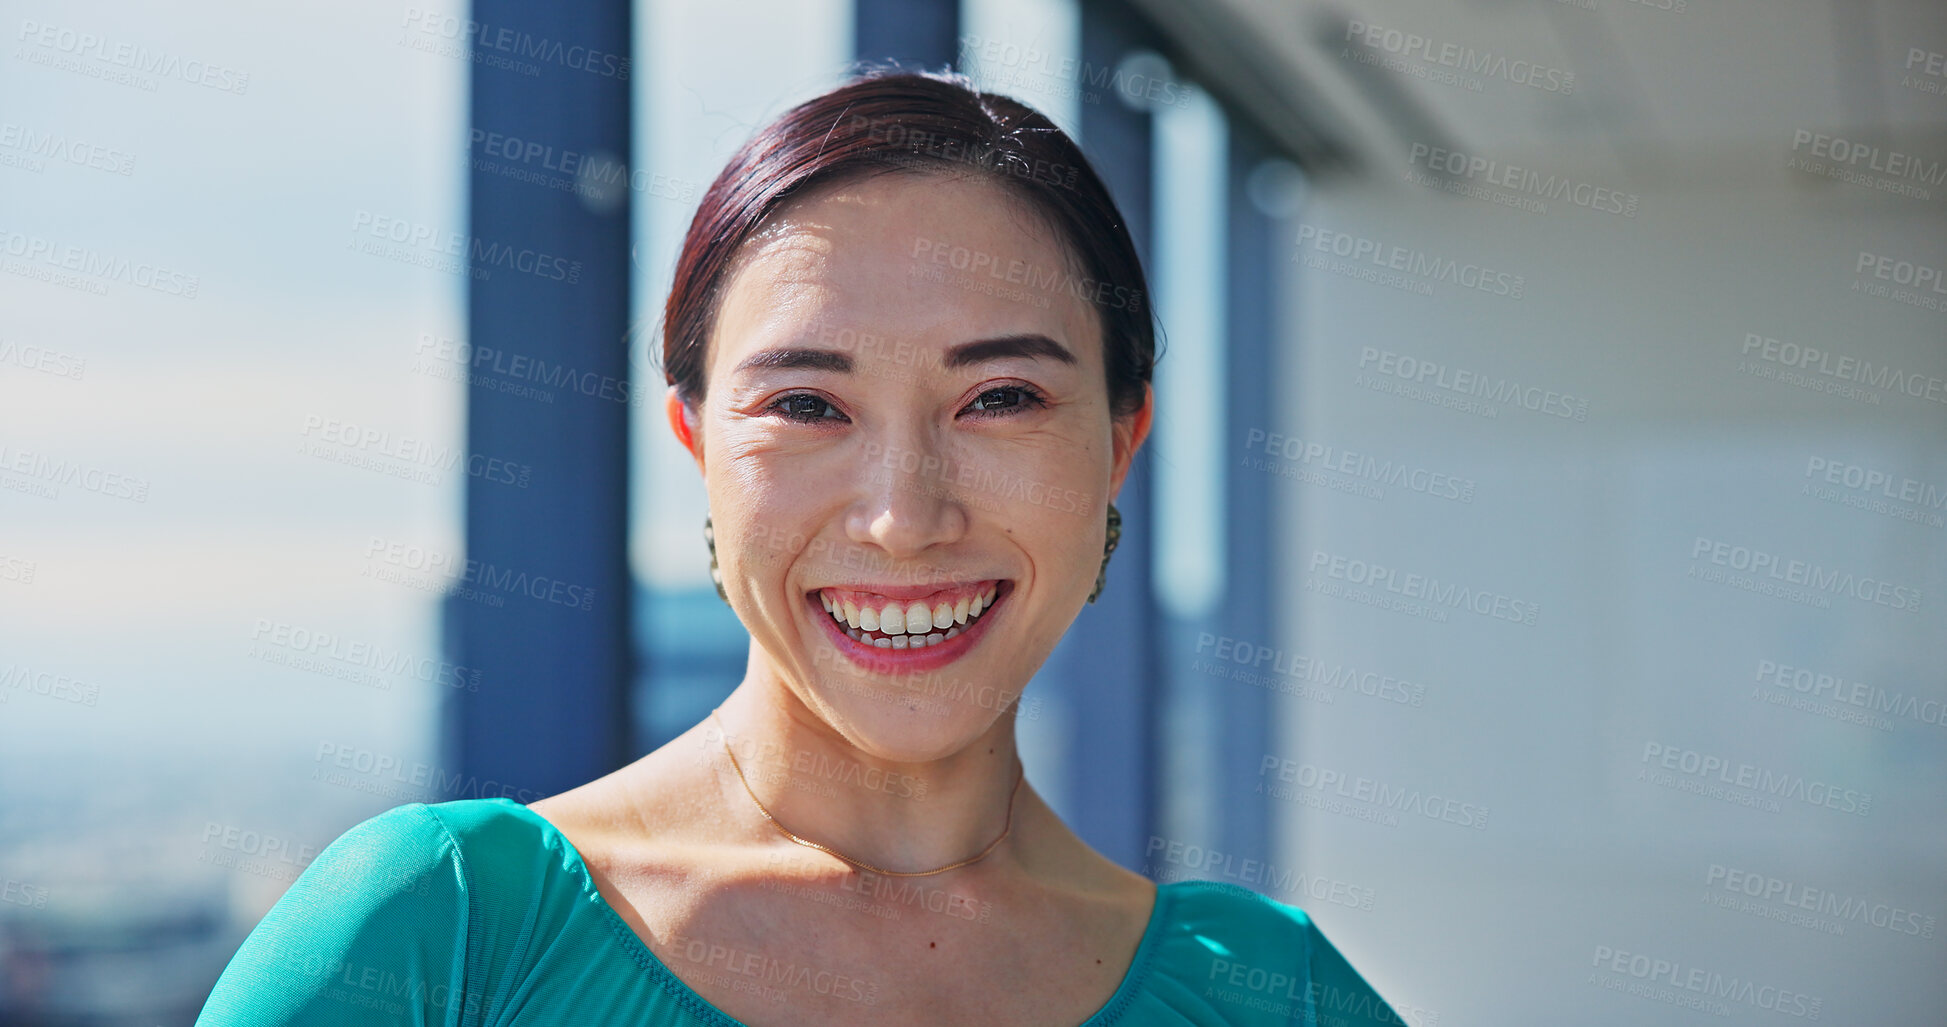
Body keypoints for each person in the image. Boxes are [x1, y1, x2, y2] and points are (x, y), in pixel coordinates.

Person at [196, 68, 1404, 1027]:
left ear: (1121, 442)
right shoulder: (445, 934)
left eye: (1001, 400)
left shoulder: (1265, 990)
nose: (902, 516)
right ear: (695, 441)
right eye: (807, 407)